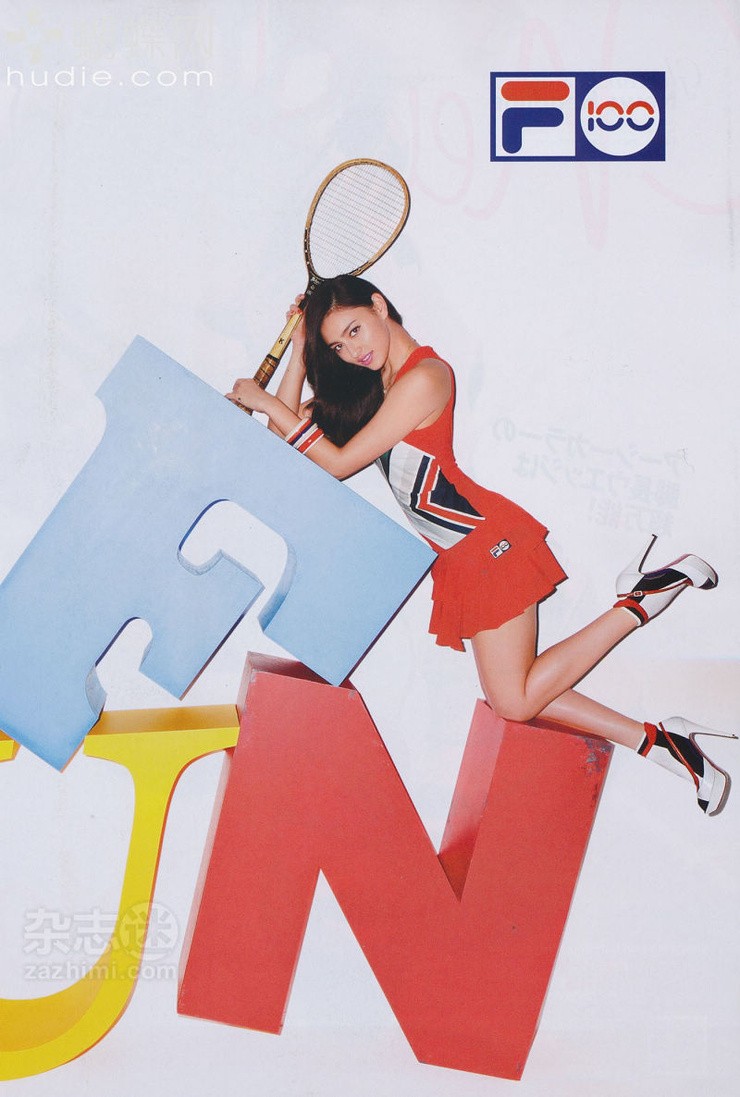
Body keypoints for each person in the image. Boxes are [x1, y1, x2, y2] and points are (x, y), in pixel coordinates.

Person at [227, 274, 736, 816]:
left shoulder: (424, 378)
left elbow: (336, 462)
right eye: (337, 346)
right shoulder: (374, 388)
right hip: (464, 556)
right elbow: (290, 444)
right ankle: (662, 742)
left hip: (490, 544)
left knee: (514, 701)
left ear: (378, 305)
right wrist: (299, 353)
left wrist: (263, 400)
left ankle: (639, 604)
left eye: (355, 330)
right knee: (518, 696)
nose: (353, 351)